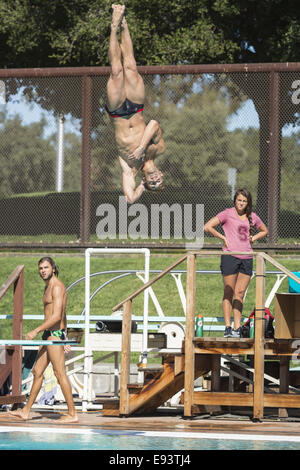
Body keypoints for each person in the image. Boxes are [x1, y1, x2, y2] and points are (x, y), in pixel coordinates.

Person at [106, 4, 165, 203]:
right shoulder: (157, 150)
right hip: (136, 107)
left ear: (148, 182)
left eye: (153, 184)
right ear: (161, 174)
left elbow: (130, 199)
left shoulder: (129, 169)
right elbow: (154, 124)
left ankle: (114, 27)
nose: (155, 180)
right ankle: (124, 22)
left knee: (116, 70)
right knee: (130, 65)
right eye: (159, 181)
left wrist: (141, 188)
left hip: (118, 113)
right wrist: (141, 147)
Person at [8, 257, 78, 423]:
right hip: (49, 335)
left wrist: (37, 330)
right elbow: (63, 314)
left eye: (46, 267)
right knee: (37, 372)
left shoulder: (57, 287)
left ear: (53, 268)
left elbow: (57, 316)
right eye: (40, 268)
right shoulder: (48, 287)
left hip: (54, 335)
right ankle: (25, 411)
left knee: (59, 373)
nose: (43, 271)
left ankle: (72, 413)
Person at [204, 189, 268, 338]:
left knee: (240, 294)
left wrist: (254, 238)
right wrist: (223, 238)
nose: (241, 203)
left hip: (247, 258)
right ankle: (227, 327)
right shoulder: (227, 213)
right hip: (229, 256)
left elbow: (264, 230)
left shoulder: (252, 216)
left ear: (247, 203)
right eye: (239, 200)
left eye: (244, 201)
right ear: (235, 200)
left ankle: (237, 328)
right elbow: (207, 226)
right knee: (229, 291)